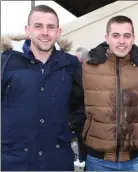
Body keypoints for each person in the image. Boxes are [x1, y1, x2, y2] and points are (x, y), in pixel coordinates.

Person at [79, 15, 138, 171]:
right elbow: (75, 107)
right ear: (106, 38)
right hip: (97, 160)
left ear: (133, 38)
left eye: (126, 36)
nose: (121, 41)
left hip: (133, 160)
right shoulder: (87, 68)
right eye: (116, 35)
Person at [1, 5, 82, 171]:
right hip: (15, 162)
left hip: (57, 160)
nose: (45, 32)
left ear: (58, 32)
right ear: (28, 30)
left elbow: (81, 105)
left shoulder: (70, 64)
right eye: (38, 26)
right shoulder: (6, 62)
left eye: (50, 27)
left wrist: (70, 131)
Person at [71, 47, 89, 168]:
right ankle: (83, 159)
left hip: (82, 111)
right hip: (79, 112)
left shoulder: (84, 71)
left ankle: (85, 159)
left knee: (84, 139)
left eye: (78, 59)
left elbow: (79, 92)